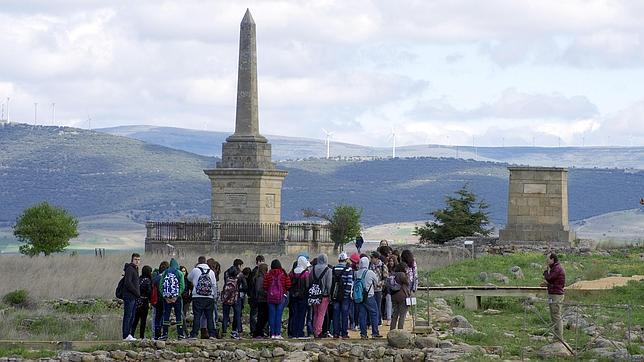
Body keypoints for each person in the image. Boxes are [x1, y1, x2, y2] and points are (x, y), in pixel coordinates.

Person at [187, 256, 217, 339]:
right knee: (209, 317)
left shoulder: (195, 270)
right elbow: (214, 285)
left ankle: (194, 334)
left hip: (197, 296)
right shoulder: (211, 272)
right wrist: (215, 296)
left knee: (197, 316)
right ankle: (212, 334)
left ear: (198, 262)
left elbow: (189, 278)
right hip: (209, 297)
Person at [541, 253, 566, 341]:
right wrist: (547, 284)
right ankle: (556, 336)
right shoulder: (555, 268)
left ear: (552, 259)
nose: (546, 261)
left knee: (556, 315)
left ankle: (559, 337)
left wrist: (545, 272)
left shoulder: (557, 268)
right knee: (554, 315)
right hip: (554, 293)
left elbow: (550, 278)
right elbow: (554, 281)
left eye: (548, 259)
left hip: (556, 294)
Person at [263, 259, 291, 339]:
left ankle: (272, 334)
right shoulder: (284, 274)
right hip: (281, 297)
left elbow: (265, 286)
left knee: (272, 315)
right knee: (278, 316)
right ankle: (278, 334)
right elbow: (288, 285)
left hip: (270, 297)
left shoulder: (268, 274)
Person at [159, 258, 186, 340]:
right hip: (177, 298)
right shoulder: (179, 273)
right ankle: (180, 334)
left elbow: (160, 286)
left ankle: (165, 334)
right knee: (178, 315)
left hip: (166, 298)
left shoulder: (165, 272)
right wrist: (176, 296)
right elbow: (182, 286)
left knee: (166, 315)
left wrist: (165, 296)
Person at [355, 256, 381, 339]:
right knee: (374, 313)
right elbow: (377, 282)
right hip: (369, 296)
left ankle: (363, 334)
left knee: (362, 315)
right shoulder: (370, 272)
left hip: (360, 297)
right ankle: (375, 333)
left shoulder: (357, 273)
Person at [309, 254, 333, 338]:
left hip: (314, 294)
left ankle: (314, 330)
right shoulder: (328, 270)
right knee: (321, 314)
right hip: (324, 295)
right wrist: (330, 295)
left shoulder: (313, 269)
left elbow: (310, 280)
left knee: (315, 313)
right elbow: (329, 285)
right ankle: (318, 332)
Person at [331, 252, 353, 339]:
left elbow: (331, 282)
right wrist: (346, 294)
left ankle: (336, 333)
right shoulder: (348, 270)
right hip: (344, 296)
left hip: (335, 295)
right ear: (346, 260)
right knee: (345, 314)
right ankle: (344, 333)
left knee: (336, 314)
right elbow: (349, 282)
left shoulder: (334, 269)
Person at [222, 259, 245, 339]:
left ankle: (224, 332)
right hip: (236, 297)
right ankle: (238, 331)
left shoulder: (226, 273)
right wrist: (239, 290)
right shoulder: (240, 275)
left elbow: (226, 283)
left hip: (226, 297)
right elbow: (245, 286)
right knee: (237, 315)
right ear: (239, 265)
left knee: (225, 315)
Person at [289, 256, 311, 339]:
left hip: (293, 297)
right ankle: (300, 332)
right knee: (302, 315)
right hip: (303, 297)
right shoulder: (305, 273)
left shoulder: (292, 273)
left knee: (294, 314)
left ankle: (294, 333)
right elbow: (307, 285)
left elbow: (289, 284)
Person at [122, 253, 141, 341]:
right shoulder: (130, 269)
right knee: (128, 316)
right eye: (135, 259)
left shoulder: (136, 269)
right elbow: (128, 283)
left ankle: (129, 334)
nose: (137, 261)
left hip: (134, 297)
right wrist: (136, 292)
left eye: (138, 259)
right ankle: (126, 335)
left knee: (132, 316)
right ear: (132, 260)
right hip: (129, 296)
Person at [131, 265, 152, 339]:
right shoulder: (148, 281)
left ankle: (131, 334)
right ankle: (141, 336)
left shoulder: (138, 279)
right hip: (144, 301)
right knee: (143, 320)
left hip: (137, 301)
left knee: (135, 320)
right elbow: (149, 292)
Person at [390, 262, 410, 330]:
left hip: (394, 296)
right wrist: (407, 274)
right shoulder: (402, 274)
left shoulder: (393, 274)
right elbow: (408, 282)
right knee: (402, 315)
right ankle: (400, 331)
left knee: (395, 315)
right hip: (402, 296)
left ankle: (392, 330)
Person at [370, 251, 388, 325]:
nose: (371, 259)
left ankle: (378, 321)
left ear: (377, 258)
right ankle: (372, 321)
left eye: (372, 258)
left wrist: (379, 284)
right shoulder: (369, 266)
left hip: (378, 289)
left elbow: (385, 278)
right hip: (370, 289)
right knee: (371, 306)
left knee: (378, 305)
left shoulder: (383, 266)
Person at [151, 261, 169, 339]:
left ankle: (156, 335)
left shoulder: (156, 278)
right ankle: (164, 334)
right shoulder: (168, 278)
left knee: (157, 318)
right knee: (165, 317)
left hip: (157, 301)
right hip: (166, 300)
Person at [248, 255, 265, 335]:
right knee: (254, 315)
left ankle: (257, 330)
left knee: (258, 315)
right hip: (255, 297)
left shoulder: (257, 272)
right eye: (261, 261)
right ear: (258, 262)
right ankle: (254, 330)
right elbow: (251, 285)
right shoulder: (255, 272)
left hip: (257, 297)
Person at [252, 263, 269, 338]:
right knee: (262, 317)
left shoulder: (262, 277)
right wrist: (267, 293)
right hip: (261, 299)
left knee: (263, 317)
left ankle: (259, 331)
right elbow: (258, 289)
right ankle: (258, 332)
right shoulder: (260, 278)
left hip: (263, 299)